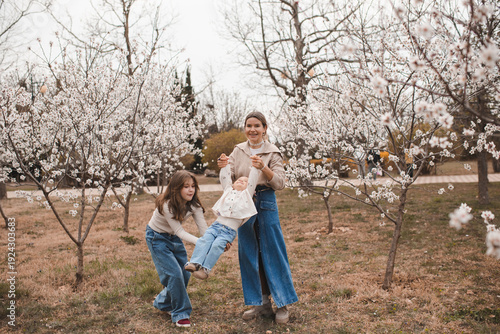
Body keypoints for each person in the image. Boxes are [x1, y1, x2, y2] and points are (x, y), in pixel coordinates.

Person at [217, 111, 298, 325]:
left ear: (264, 128)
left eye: (257, 126)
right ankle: (260, 302)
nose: (252, 129)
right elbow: (230, 176)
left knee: (273, 251)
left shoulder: (273, 152)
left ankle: (282, 303)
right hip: (243, 203)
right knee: (249, 252)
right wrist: (224, 166)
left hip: (266, 201)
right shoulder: (238, 150)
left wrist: (264, 168)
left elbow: (280, 183)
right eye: (248, 125)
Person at [145, 170, 208, 328]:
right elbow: (180, 231)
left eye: (193, 186)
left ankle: (163, 302)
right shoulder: (167, 204)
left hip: (173, 238)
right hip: (157, 238)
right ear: (176, 188)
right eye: (186, 186)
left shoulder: (194, 205)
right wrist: (201, 243)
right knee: (174, 274)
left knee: (184, 273)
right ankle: (180, 312)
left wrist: (213, 242)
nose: (190, 190)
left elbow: (204, 231)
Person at [185, 155, 261, 280]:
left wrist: (254, 167)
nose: (241, 181)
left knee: (216, 246)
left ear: (251, 189)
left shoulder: (246, 196)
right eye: (238, 180)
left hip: (228, 231)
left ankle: (205, 270)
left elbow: (253, 180)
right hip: (215, 226)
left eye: (245, 181)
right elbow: (225, 178)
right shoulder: (228, 190)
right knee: (204, 241)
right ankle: (194, 263)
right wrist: (225, 166)